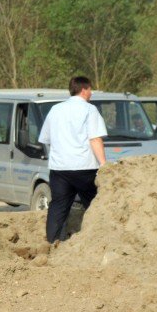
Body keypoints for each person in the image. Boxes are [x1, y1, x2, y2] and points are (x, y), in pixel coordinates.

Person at [38, 75, 108, 244]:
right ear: (84, 90)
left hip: (59, 169)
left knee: (58, 206)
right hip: (84, 167)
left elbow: (45, 139)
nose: (91, 93)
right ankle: (99, 239)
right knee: (95, 203)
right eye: (90, 89)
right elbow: (95, 139)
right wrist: (104, 164)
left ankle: (53, 242)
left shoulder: (55, 109)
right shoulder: (89, 110)